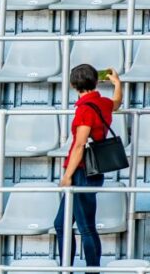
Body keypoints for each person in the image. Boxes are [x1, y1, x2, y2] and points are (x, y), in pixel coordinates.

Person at [54, 64, 122, 268]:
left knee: (86, 227)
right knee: (61, 224)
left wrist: (67, 176)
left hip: (82, 171)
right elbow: (116, 103)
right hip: (93, 169)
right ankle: (67, 267)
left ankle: (92, 270)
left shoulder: (85, 110)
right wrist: (117, 84)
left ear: (74, 86)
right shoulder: (102, 103)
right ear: (95, 81)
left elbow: (79, 146)